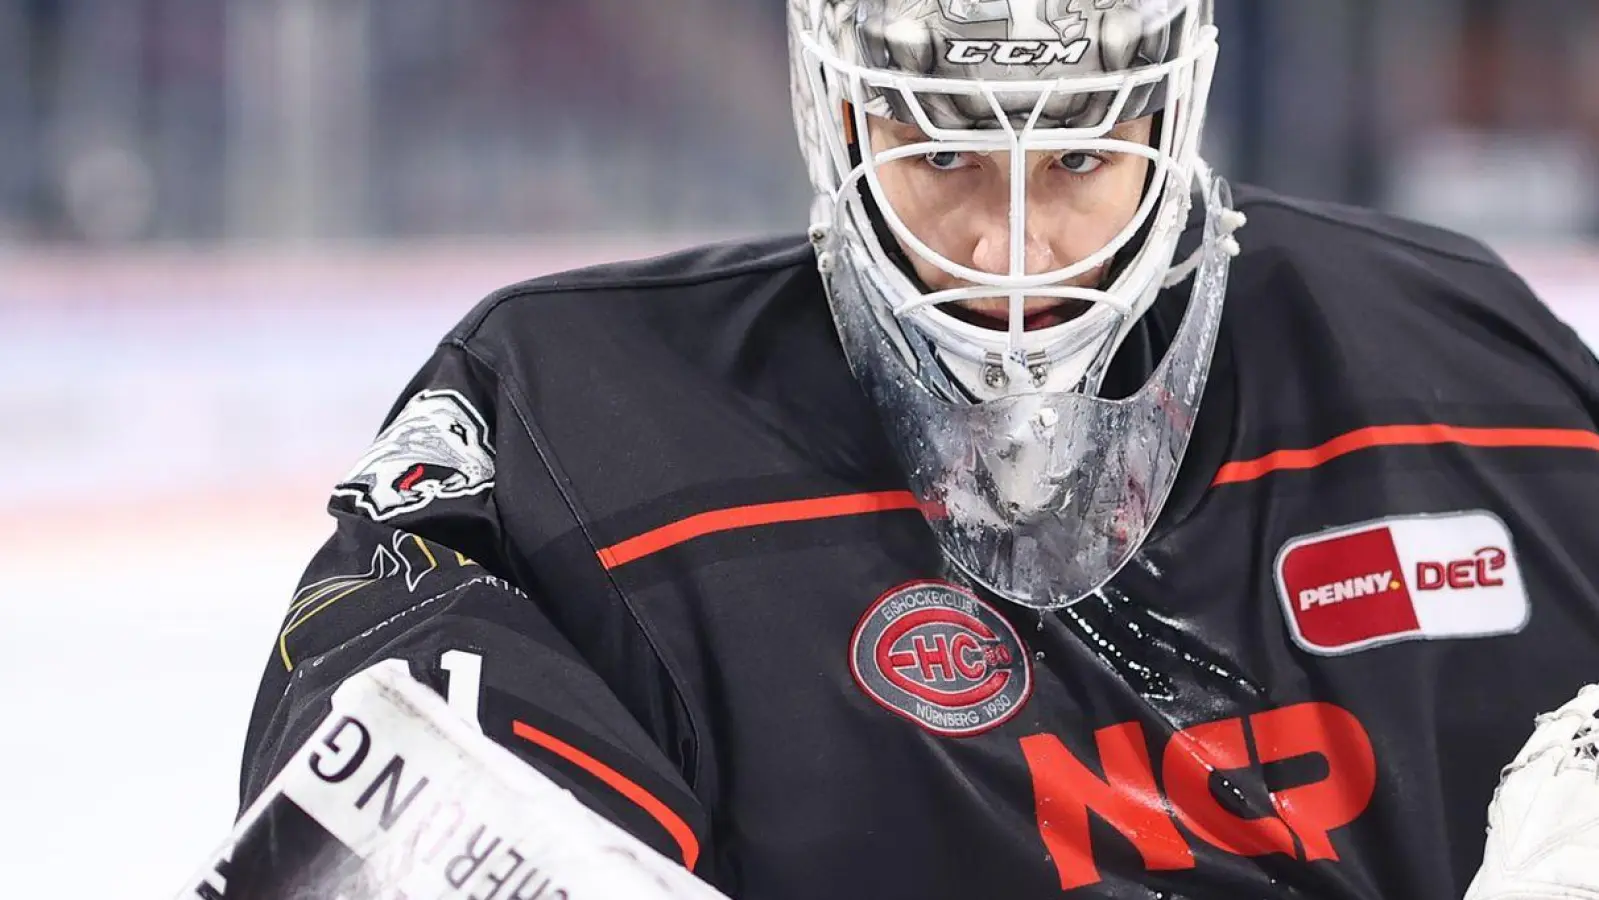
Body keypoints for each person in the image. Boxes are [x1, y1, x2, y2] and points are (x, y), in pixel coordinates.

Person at [238, 1, 1599, 897]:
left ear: (1169, 123)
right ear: (838, 121)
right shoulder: (576, 423)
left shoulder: (1457, 365)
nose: (1009, 252)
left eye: (1074, 158)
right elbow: (381, 807)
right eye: (942, 157)